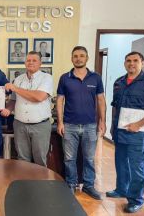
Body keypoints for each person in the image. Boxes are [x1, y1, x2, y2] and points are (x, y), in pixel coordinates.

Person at [106, 51, 144, 213]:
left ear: (142, 63)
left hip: (139, 135)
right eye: (128, 60)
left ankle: (136, 199)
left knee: (137, 168)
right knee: (121, 164)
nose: (131, 63)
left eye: (135, 60)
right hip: (120, 133)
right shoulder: (119, 82)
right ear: (125, 63)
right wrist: (112, 127)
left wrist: (138, 124)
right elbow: (115, 107)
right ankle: (121, 190)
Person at [56, 46, 106, 200]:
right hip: (70, 125)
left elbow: (101, 100)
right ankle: (71, 184)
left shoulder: (96, 78)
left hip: (90, 125)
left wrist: (102, 121)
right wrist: (60, 122)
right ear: (72, 59)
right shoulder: (65, 78)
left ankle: (89, 186)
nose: (78, 58)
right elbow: (59, 100)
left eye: (82, 56)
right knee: (69, 158)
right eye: (75, 56)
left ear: (87, 58)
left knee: (89, 158)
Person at [5, 51, 53, 167]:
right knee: (22, 160)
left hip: (40, 126)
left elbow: (39, 97)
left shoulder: (46, 78)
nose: (30, 62)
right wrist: (7, 109)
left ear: (40, 63)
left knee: (40, 160)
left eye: (34, 60)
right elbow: (14, 100)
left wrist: (15, 88)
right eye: (28, 60)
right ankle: (24, 185)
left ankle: (39, 185)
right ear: (25, 62)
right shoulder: (18, 79)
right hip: (20, 125)